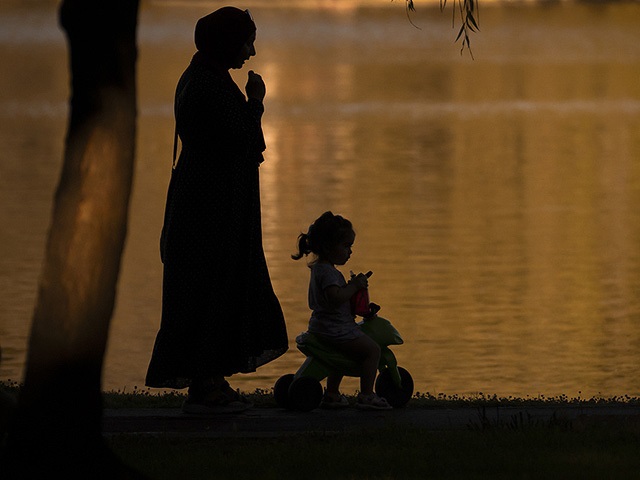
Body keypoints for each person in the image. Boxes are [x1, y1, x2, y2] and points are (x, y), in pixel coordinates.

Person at [146, 7, 288, 414]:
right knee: (211, 285)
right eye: (246, 43)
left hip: (212, 200)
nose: (251, 52)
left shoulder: (204, 78)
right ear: (226, 43)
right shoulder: (207, 86)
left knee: (218, 285)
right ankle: (206, 386)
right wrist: (256, 102)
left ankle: (211, 381)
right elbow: (246, 139)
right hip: (210, 208)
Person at [292, 212, 392, 410]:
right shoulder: (328, 272)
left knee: (338, 358)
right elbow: (335, 297)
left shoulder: (321, 269)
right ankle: (366, 395)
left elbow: (336, 300)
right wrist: (354, 286)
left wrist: (355, 296)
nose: (350, 252)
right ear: (328, 247)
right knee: (373, 350)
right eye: (346, 246)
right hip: (336, 329)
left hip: (324, 326)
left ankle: (332, 394)